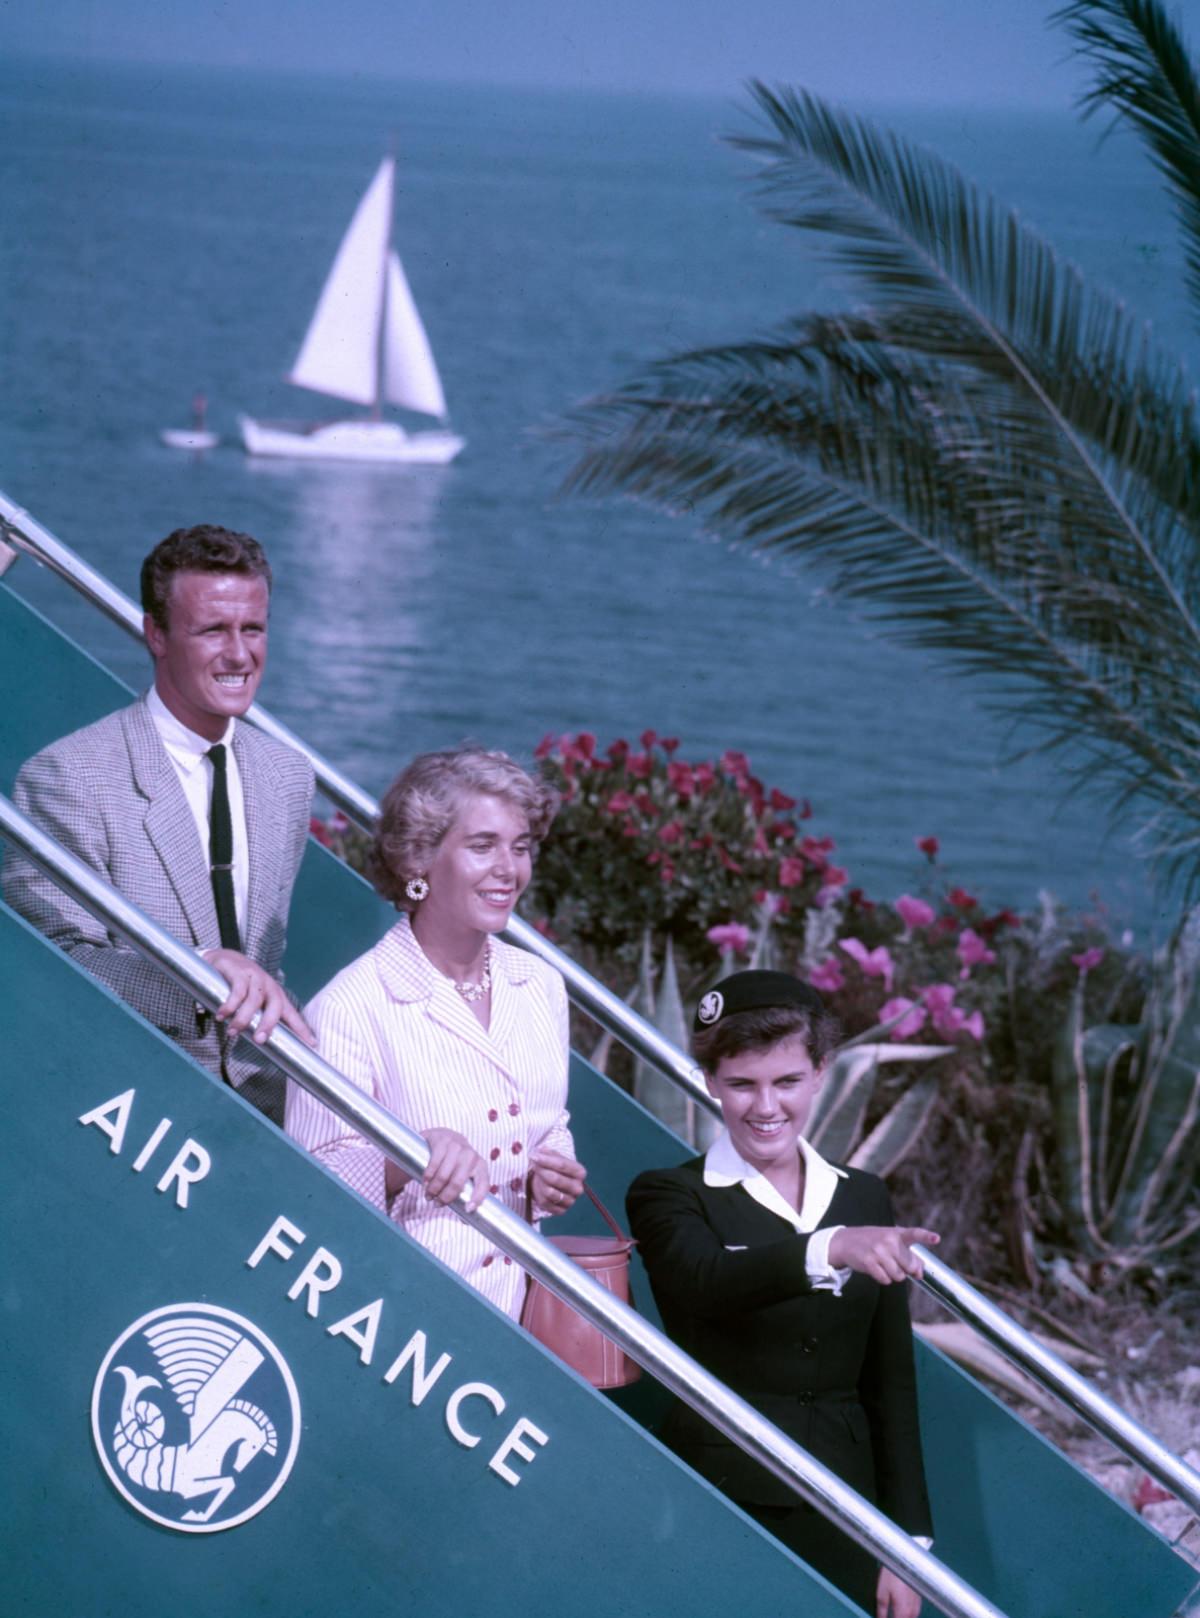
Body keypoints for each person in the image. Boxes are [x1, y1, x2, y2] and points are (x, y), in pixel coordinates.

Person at [626, 970, 937, 1618]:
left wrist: (906, 1544)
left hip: (847, 1509)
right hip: (717, 1503)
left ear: (821, 1073)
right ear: (709, 1081)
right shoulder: (669, 1193)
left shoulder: (863, 1195)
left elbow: (890, 1380)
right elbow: (704, 1282)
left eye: (787, 1081)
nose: (766, 1107)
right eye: (742, 1084)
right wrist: (831, 1247)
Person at [3, 524, 315, 1121]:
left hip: (267, 1112)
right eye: (212, 631)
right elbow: (55, 971)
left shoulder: (287, 777)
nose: (239, 654)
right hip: (133, 1108)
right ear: (156, 634)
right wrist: (196, 973)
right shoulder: (68, 778)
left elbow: (263, 965)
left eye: (252, 629)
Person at [286, 746, 587, 1319]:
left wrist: (552, 1173)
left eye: (520, 847)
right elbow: (309, 1193)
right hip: (400, 1316)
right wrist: (411, 1158)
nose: (510, 869)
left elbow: (550, 1126)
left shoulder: (540, 985)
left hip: (522, 1317)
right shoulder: (350, 1007)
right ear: (417, 860)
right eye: (482, 846)